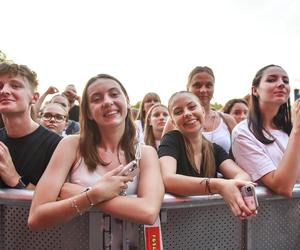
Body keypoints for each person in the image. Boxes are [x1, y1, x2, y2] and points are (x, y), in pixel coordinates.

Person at [28, 74, 164, 248]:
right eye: (96, 99)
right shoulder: (71, 145)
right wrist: (93, 195)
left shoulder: (146, 153)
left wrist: (82, 192)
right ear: (89, 112)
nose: (107, 102)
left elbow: (148, 212)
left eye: (114, 94)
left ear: (127, 102)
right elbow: (36, 217)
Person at [158, 91, 256, 219]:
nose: (187, 113)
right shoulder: (171, 139)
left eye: (192, 107)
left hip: (207, 221)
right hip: (176, 222)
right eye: (178, 112)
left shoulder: (214, 149)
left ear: (203, 112)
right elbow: (168, 179)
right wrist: (219, 185)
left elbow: (242, 175)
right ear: (173, 122)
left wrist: (232, 187)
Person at [232, 64, 300, 197]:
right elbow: (283, 187)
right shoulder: (242, 133)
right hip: (271, 215)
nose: (281, 84)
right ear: (255, 90)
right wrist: (297, 130)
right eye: (271, 79)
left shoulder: (288, 129)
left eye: (285, 81)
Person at [0, 62, 61, 189]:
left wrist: (13, 178)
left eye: (15, 86)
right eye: (0, 86)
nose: (4, 91)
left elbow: (53, 202)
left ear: (34, 97)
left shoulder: (56, 145)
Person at [163, 66, 236, 153]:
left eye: (208, 85)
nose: (203, 90)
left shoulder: (227, 120)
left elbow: (239, 154)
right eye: (197, 85)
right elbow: (164, 152)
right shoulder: (174, 122)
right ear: (188, 88)